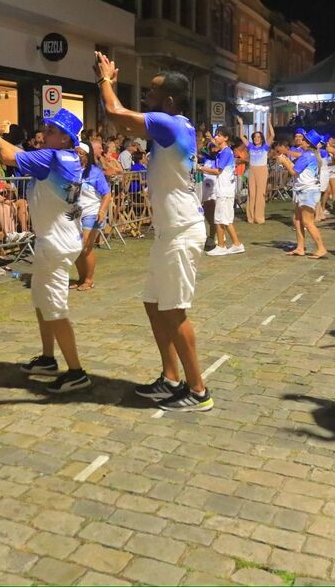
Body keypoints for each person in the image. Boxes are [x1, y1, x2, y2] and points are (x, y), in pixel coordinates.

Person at [95, 51, 212, 412]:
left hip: (180, 229)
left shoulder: (171, 124)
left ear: (170, 101)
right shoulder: (176, 126)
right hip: (169, 230)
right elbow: (122, 120)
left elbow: (117, 117)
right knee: (153, 303)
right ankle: (171, 377)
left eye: (152, 92)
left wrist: (105, 81)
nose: (146, 96)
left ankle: (198, 390)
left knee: (174, 309)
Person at [0, 108, 90, 393]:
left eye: (54, 130)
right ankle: (47, 358)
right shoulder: (65, 157)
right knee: (42, 301)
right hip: (56, 240)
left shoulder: (52, 157)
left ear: (67, 139)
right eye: (47, 127)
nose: (46, 133)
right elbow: (12, 154)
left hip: (55, 243)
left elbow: (8, 156)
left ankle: (77, 372)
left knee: (55, 309)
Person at [276, 130, 327, 259]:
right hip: (303, 189)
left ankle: (321, 248)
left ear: (309, 144)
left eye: (304, 140)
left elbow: (293, 171)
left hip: (307, 191)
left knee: (308, 222)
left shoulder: (307, 155)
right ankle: (300, 247)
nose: (301, 141)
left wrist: (283, 160)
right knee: (297, 219)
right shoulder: (310, 155)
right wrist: (286, 160)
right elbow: (296, 168)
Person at [73, 142, 111, 292]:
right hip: (75, 213)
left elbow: (107, 194)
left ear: (87, 157)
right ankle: (81, 278)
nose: (77, 156)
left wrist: (102, 211)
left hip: (92, 213)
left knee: (85, 246)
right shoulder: (71, 171)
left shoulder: (95, 172)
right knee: (75, 247)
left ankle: (89, 279)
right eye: (75, 153)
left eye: (80, 153)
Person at [203, 130, 244, 256]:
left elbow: (217, 171)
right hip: (224, 189)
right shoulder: (223, 151)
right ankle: (236, 244)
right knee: (225, 219)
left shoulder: (226, 152)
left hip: (225, 190)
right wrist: (211, 139)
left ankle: (222, 245)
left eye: (219, 135)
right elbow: (215, 145)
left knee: (220, 219)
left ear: (226, 138)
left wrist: (200, 168)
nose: (217, 137)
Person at [243, 121, 274, 223]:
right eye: (255, 137)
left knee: (260, 194)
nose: (257, 139)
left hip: (262, 170)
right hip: (252, 170)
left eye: (259, 137)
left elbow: (272, 135)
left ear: (262, 139)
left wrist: (269, 121)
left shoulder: (265, 147)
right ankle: (250, 217)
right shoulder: (250, 146)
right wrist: (240, 123)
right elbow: (241, 137)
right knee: (251, 194)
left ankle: (259, 217)